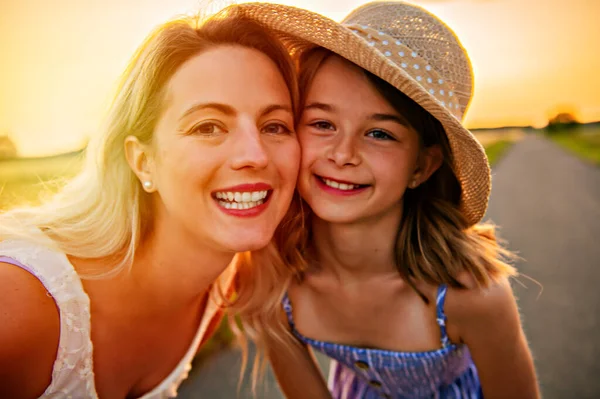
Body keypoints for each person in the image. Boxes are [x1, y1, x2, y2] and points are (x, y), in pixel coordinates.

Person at [231, 2, 540, 398]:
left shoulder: (470, 297)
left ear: (422, 167)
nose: (343, 154)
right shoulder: (273, 276)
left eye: (380, 133)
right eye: (322, 123)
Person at [0, 7, 303, 399]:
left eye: (274, 125)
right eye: (208, 127)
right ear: (143, 161)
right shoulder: (19, 305)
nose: (255, 154)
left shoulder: (214, 290)